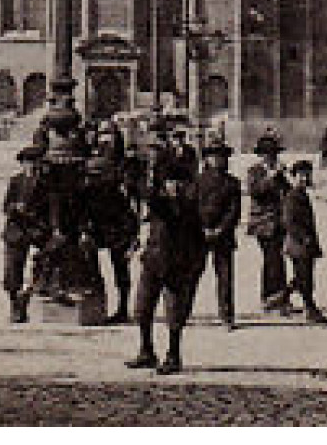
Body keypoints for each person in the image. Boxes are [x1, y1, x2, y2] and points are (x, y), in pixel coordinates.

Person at [125, 155, 207, 375]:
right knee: (141, 309)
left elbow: (197, 238)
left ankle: (173, 354)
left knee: (175, 314)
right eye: (171, 182)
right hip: (152, 262)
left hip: (178, 266)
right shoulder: (159, 203)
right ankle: (146, 350)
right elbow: (150, 207)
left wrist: (195, 267)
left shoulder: (188, 207)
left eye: (180, 182)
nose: (175, 186)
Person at [82, 124, 140, 324]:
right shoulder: (91, 160)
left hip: (118, 222)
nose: (107, 140)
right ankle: (97, 300)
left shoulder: (126, 163)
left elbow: (133, 198)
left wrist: (133, 233)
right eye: (103, 135)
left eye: (110, 135)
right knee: (89, 261)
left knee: (121, 268)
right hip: (97, 220)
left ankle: (123, 307)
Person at [245, 128, 292, 313]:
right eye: (267, 154)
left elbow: (287, 193)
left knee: (277, 259)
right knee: (272, 258)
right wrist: (272, 177)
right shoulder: (254, 171)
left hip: (279, 222)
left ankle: (277, 298)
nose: (270, 158)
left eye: (273, 154)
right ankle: (270, 297)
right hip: (262, 223)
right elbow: (256, 192)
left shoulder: (279, 172)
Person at [197, 135, 241, 329]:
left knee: (225, 277)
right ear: (206, 159)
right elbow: (192, 207)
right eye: (213, 156)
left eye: (221, 156)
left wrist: (220, 229)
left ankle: (226, 315)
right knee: (191, 275)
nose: (217, 160)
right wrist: (201, 229)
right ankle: (182, 312)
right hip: (199, 235)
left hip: (224, 236)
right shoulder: (198, 181)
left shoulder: (232, 183)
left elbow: (234, 211)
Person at [282, 160, 327, 322]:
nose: (304, 179)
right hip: (298, 244)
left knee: (302, 276)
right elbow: (289, 222)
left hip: (304, 243)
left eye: (307, 175)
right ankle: (310, 310)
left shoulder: (302, 194)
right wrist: (304, 238)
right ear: (293, 177)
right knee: (305, 278)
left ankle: (280, 297)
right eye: (301, 175)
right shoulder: (292, 196)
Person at [1, 144, 47, 322]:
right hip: (16, 229)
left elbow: (52, 208)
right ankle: (15, 304)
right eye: (29, 163)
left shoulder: (45, 184)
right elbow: (5, 206)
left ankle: (27, 295)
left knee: (45, 263)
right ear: (23, 164)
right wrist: (15, 208)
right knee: (12, 270)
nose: (33, 167)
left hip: (36, 230)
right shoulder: (15, 181)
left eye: (36, 163)